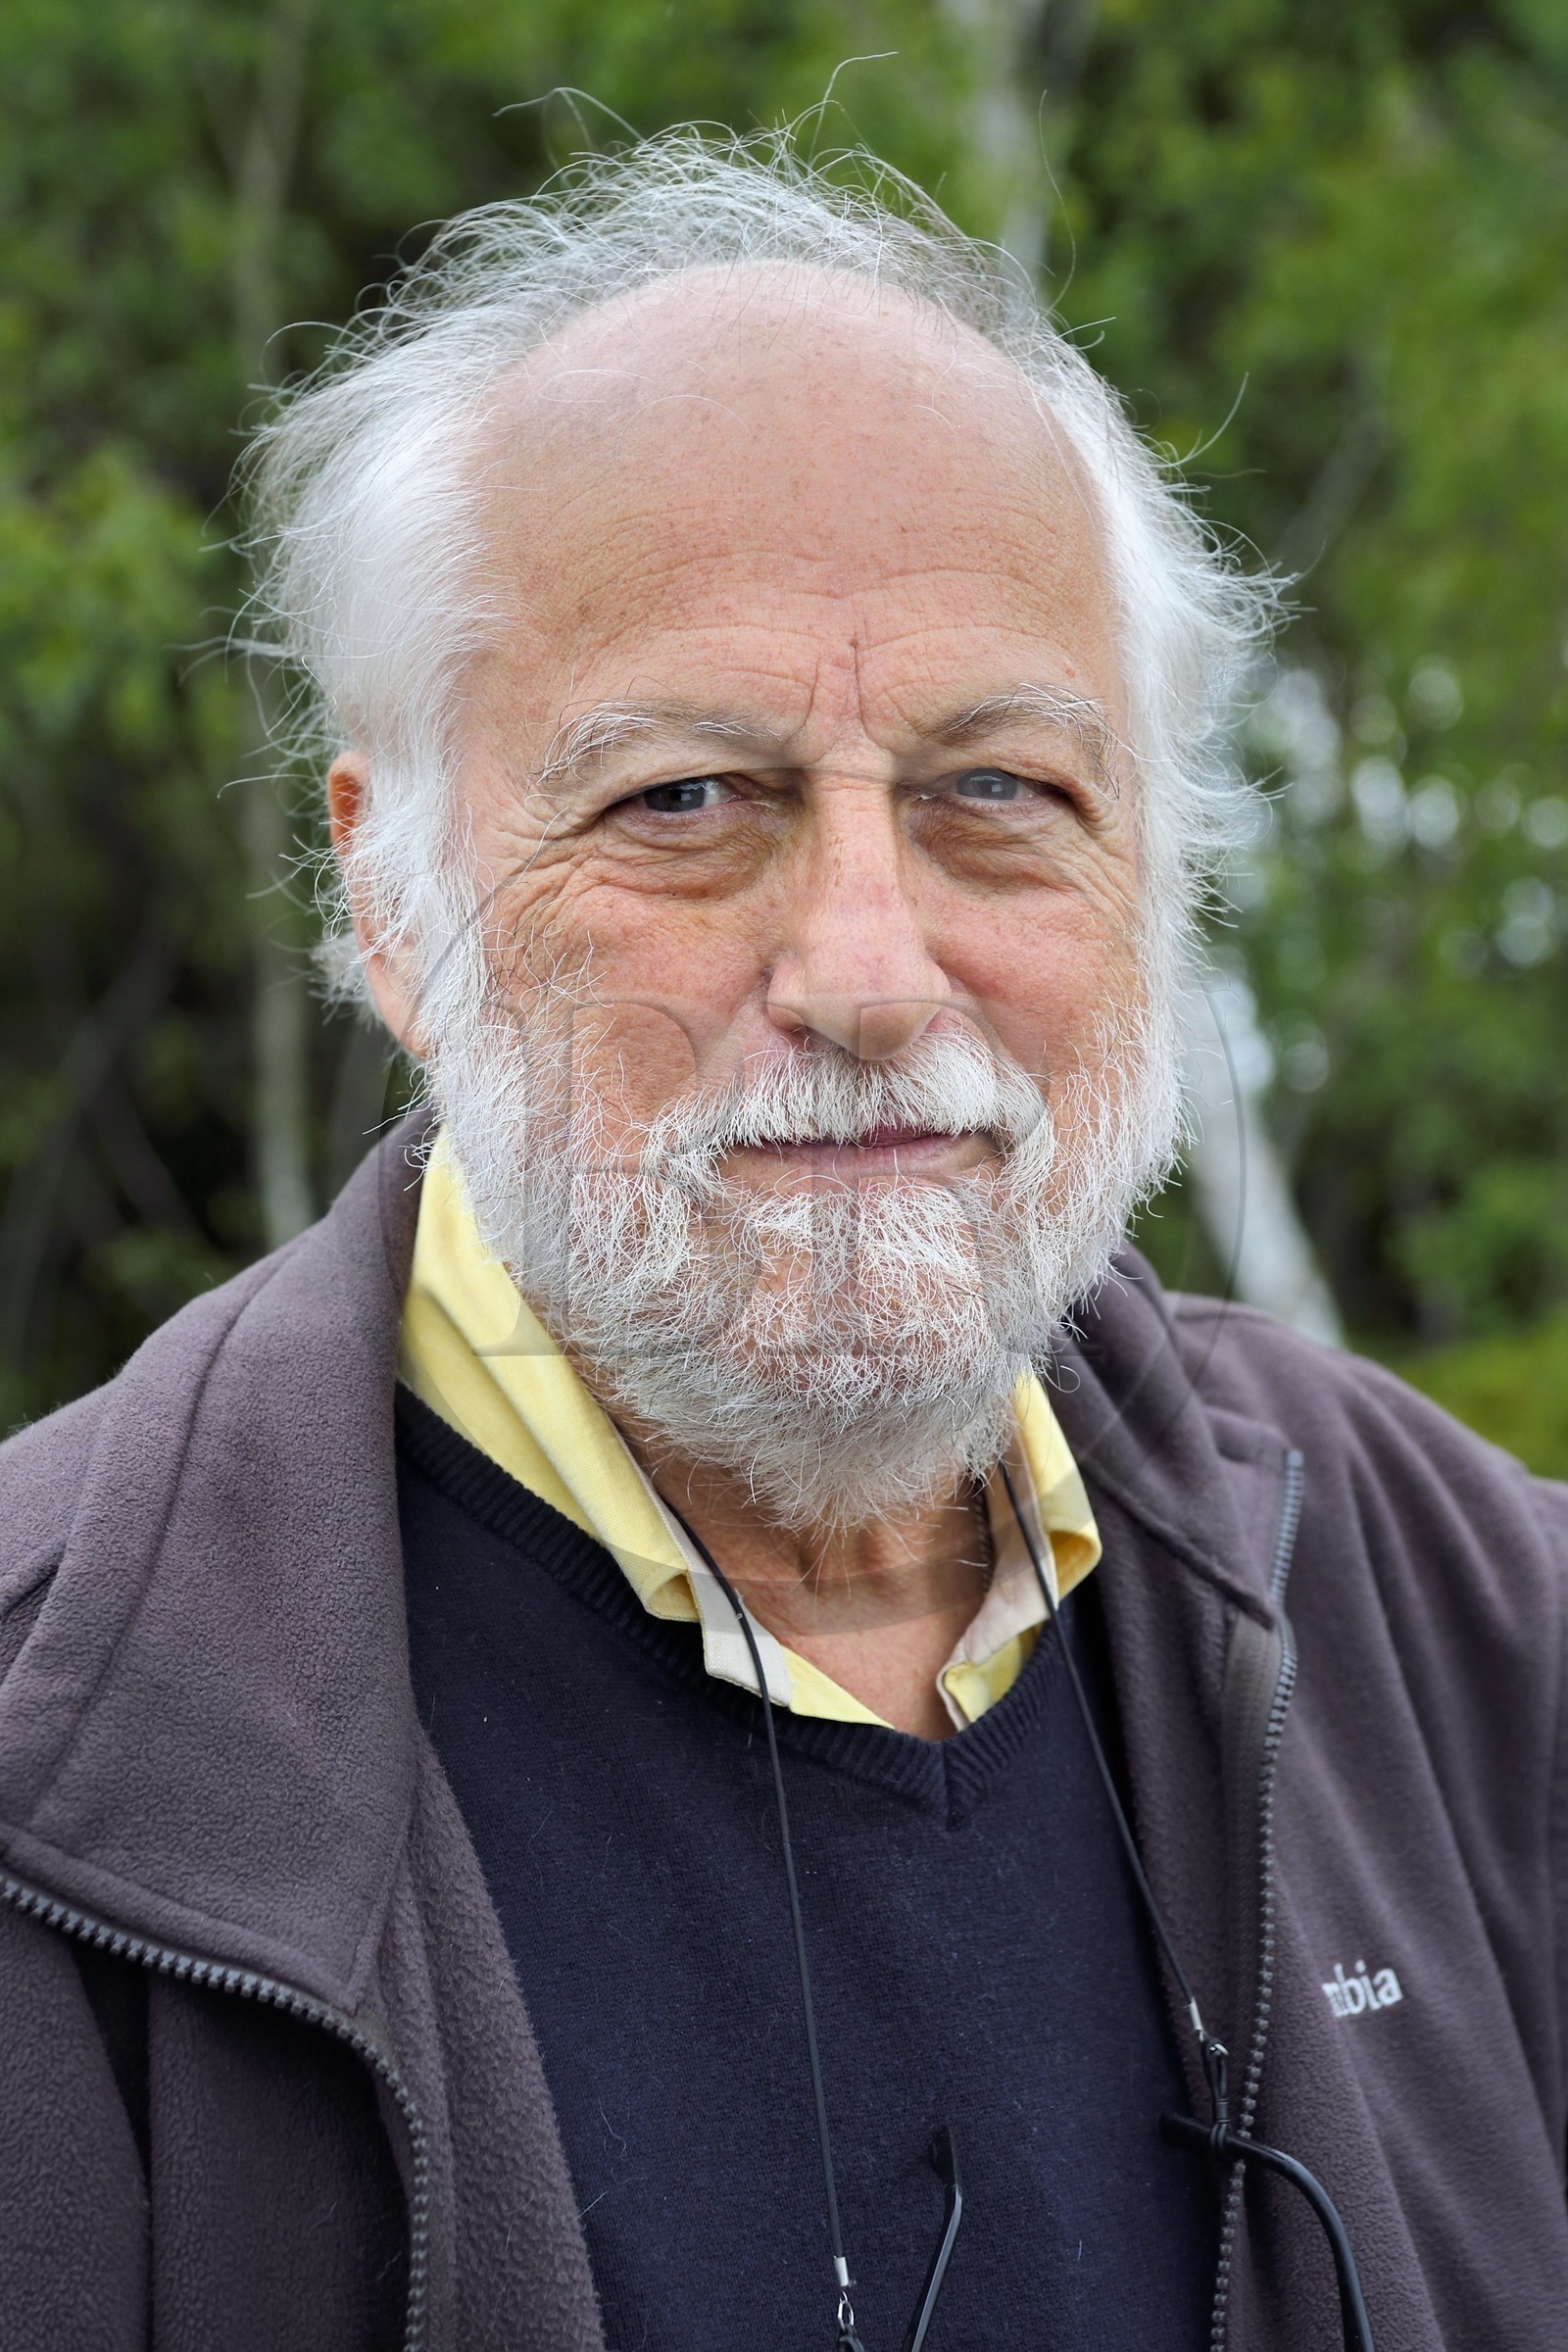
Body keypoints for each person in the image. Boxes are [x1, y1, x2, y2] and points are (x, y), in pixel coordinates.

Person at [1, 131, 1564, 2352]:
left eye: (992, 793)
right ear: (387, 892)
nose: (863, 967)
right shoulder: (51, 1751)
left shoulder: (1478, 1635)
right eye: (683, 802)